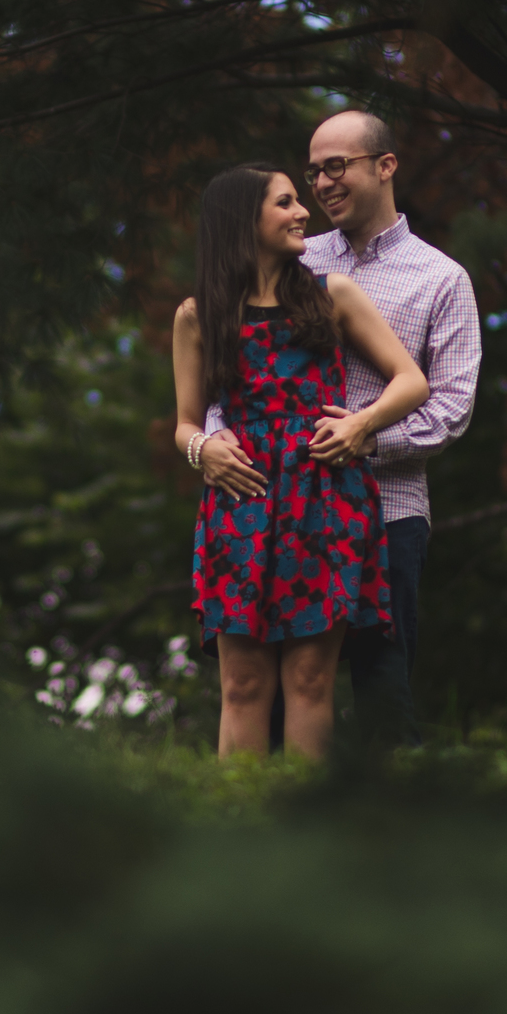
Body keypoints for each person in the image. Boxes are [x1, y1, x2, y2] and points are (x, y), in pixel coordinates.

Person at [200, 112, 482, 745]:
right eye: (312, 172)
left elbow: (452, 406)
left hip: (391, 509)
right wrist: (210, 440)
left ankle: (389, 835)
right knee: (267, 694)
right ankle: (262, 833)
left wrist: (365, 439)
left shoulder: (441, 278)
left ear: (385, 166)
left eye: (337, 166)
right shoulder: (292, 253)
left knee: (383, 687)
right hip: (281, 507)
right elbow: (231, 370)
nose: (321, 186)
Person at [173, 164, 428, 759]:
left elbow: (410, 381)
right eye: (285, 203)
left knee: (311, 681)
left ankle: (302, 834)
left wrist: (362, 423)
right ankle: (238, 828)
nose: (303, 212)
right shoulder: (196, 316)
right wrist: (201, 448)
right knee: (242, 684)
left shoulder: (331, 293)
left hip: (327, 503)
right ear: (244, 221)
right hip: (241, 507)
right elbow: (186, 420)